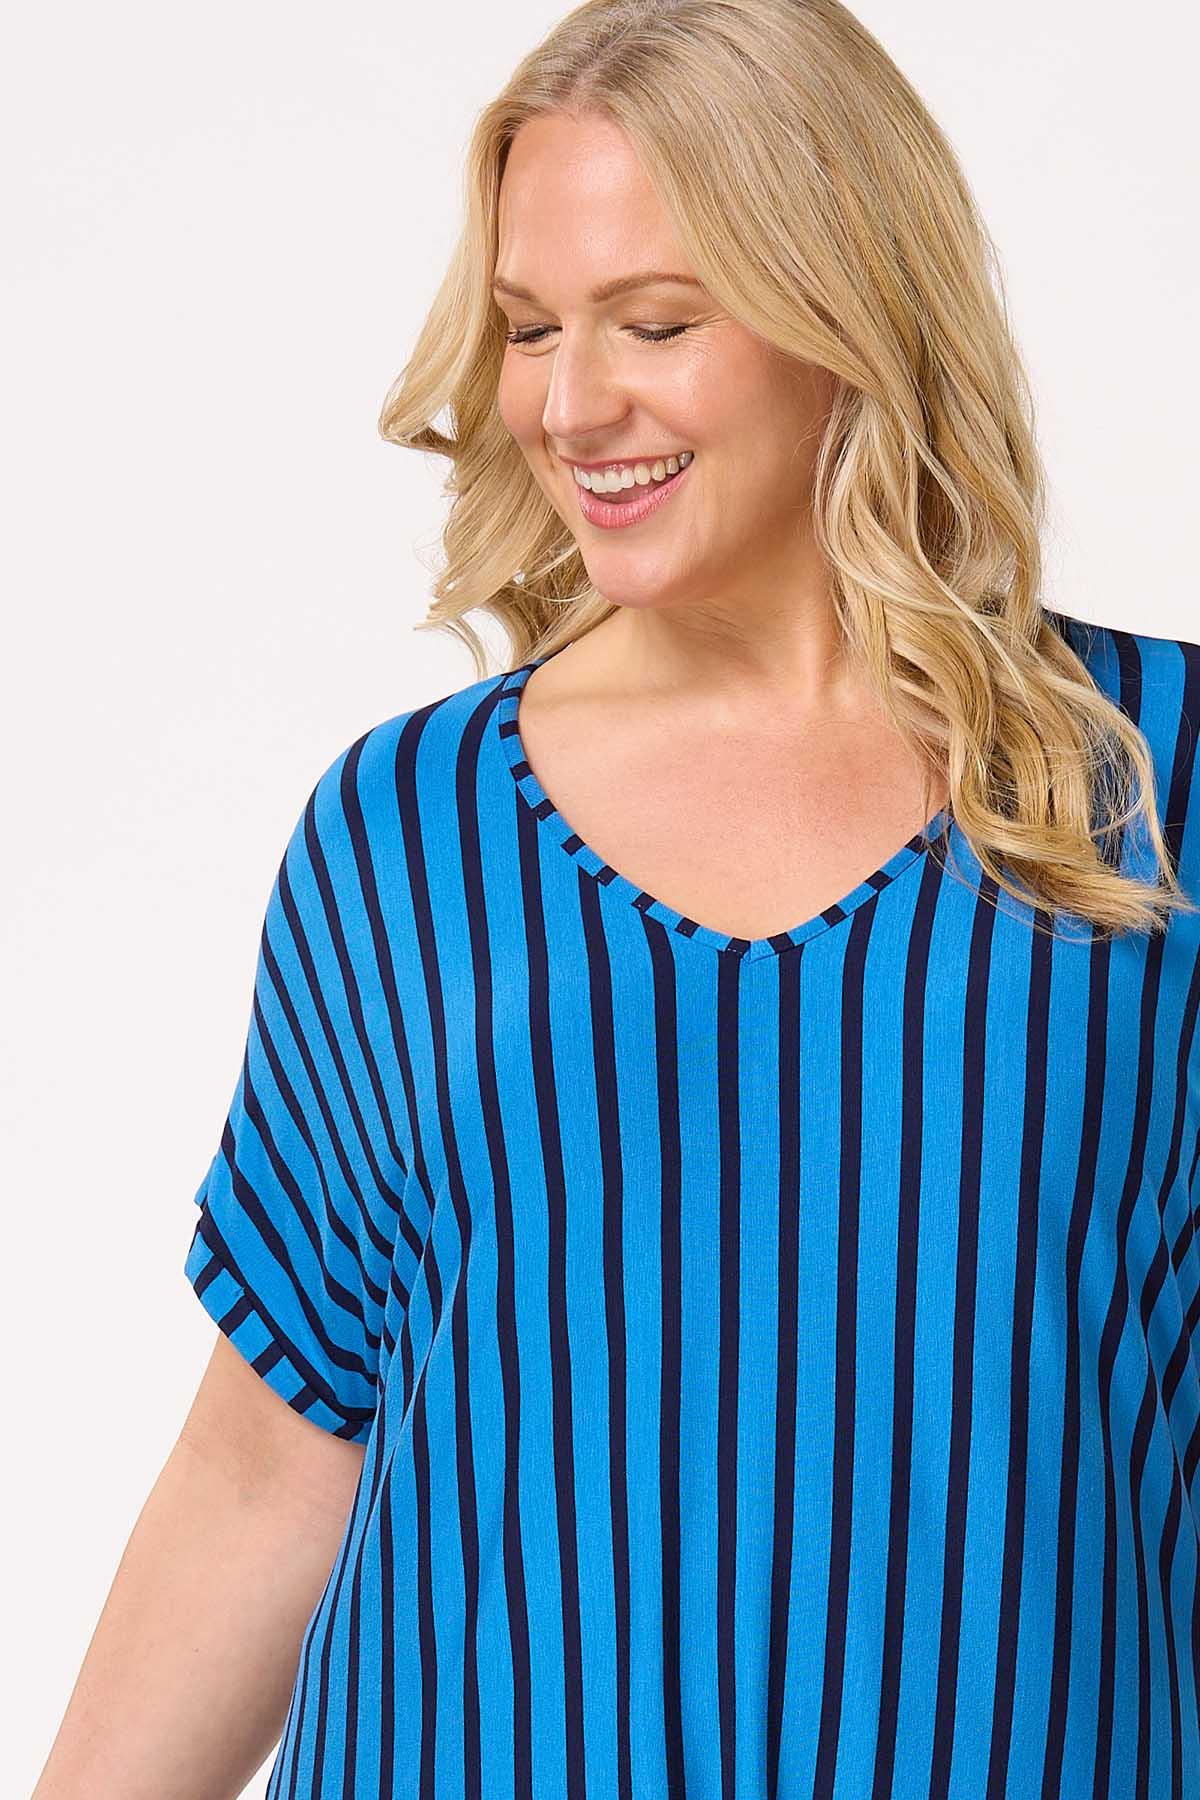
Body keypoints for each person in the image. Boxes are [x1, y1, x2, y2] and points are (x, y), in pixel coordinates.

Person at [34, 0, 1200, 1796]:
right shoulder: (408, 834)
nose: (571, 406)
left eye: (656, 323)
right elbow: (267, 1465)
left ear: (848, 313)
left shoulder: (1155, 782)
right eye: (528, 329)